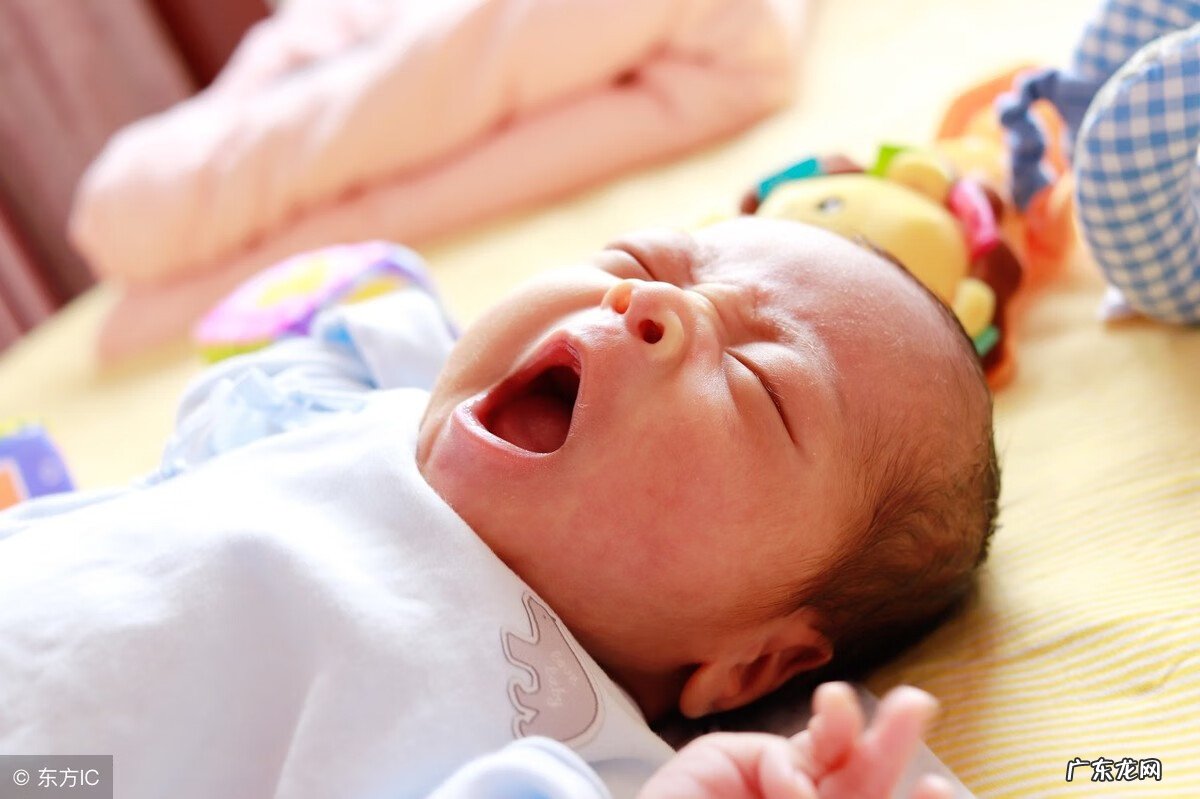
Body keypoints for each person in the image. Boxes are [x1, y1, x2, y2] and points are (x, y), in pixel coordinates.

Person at [0, 217, 996, 798]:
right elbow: (247, 399)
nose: (652, 308)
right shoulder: (358, 415)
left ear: (758, 663)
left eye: (757, 384)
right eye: (639, 263)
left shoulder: (575, 754)